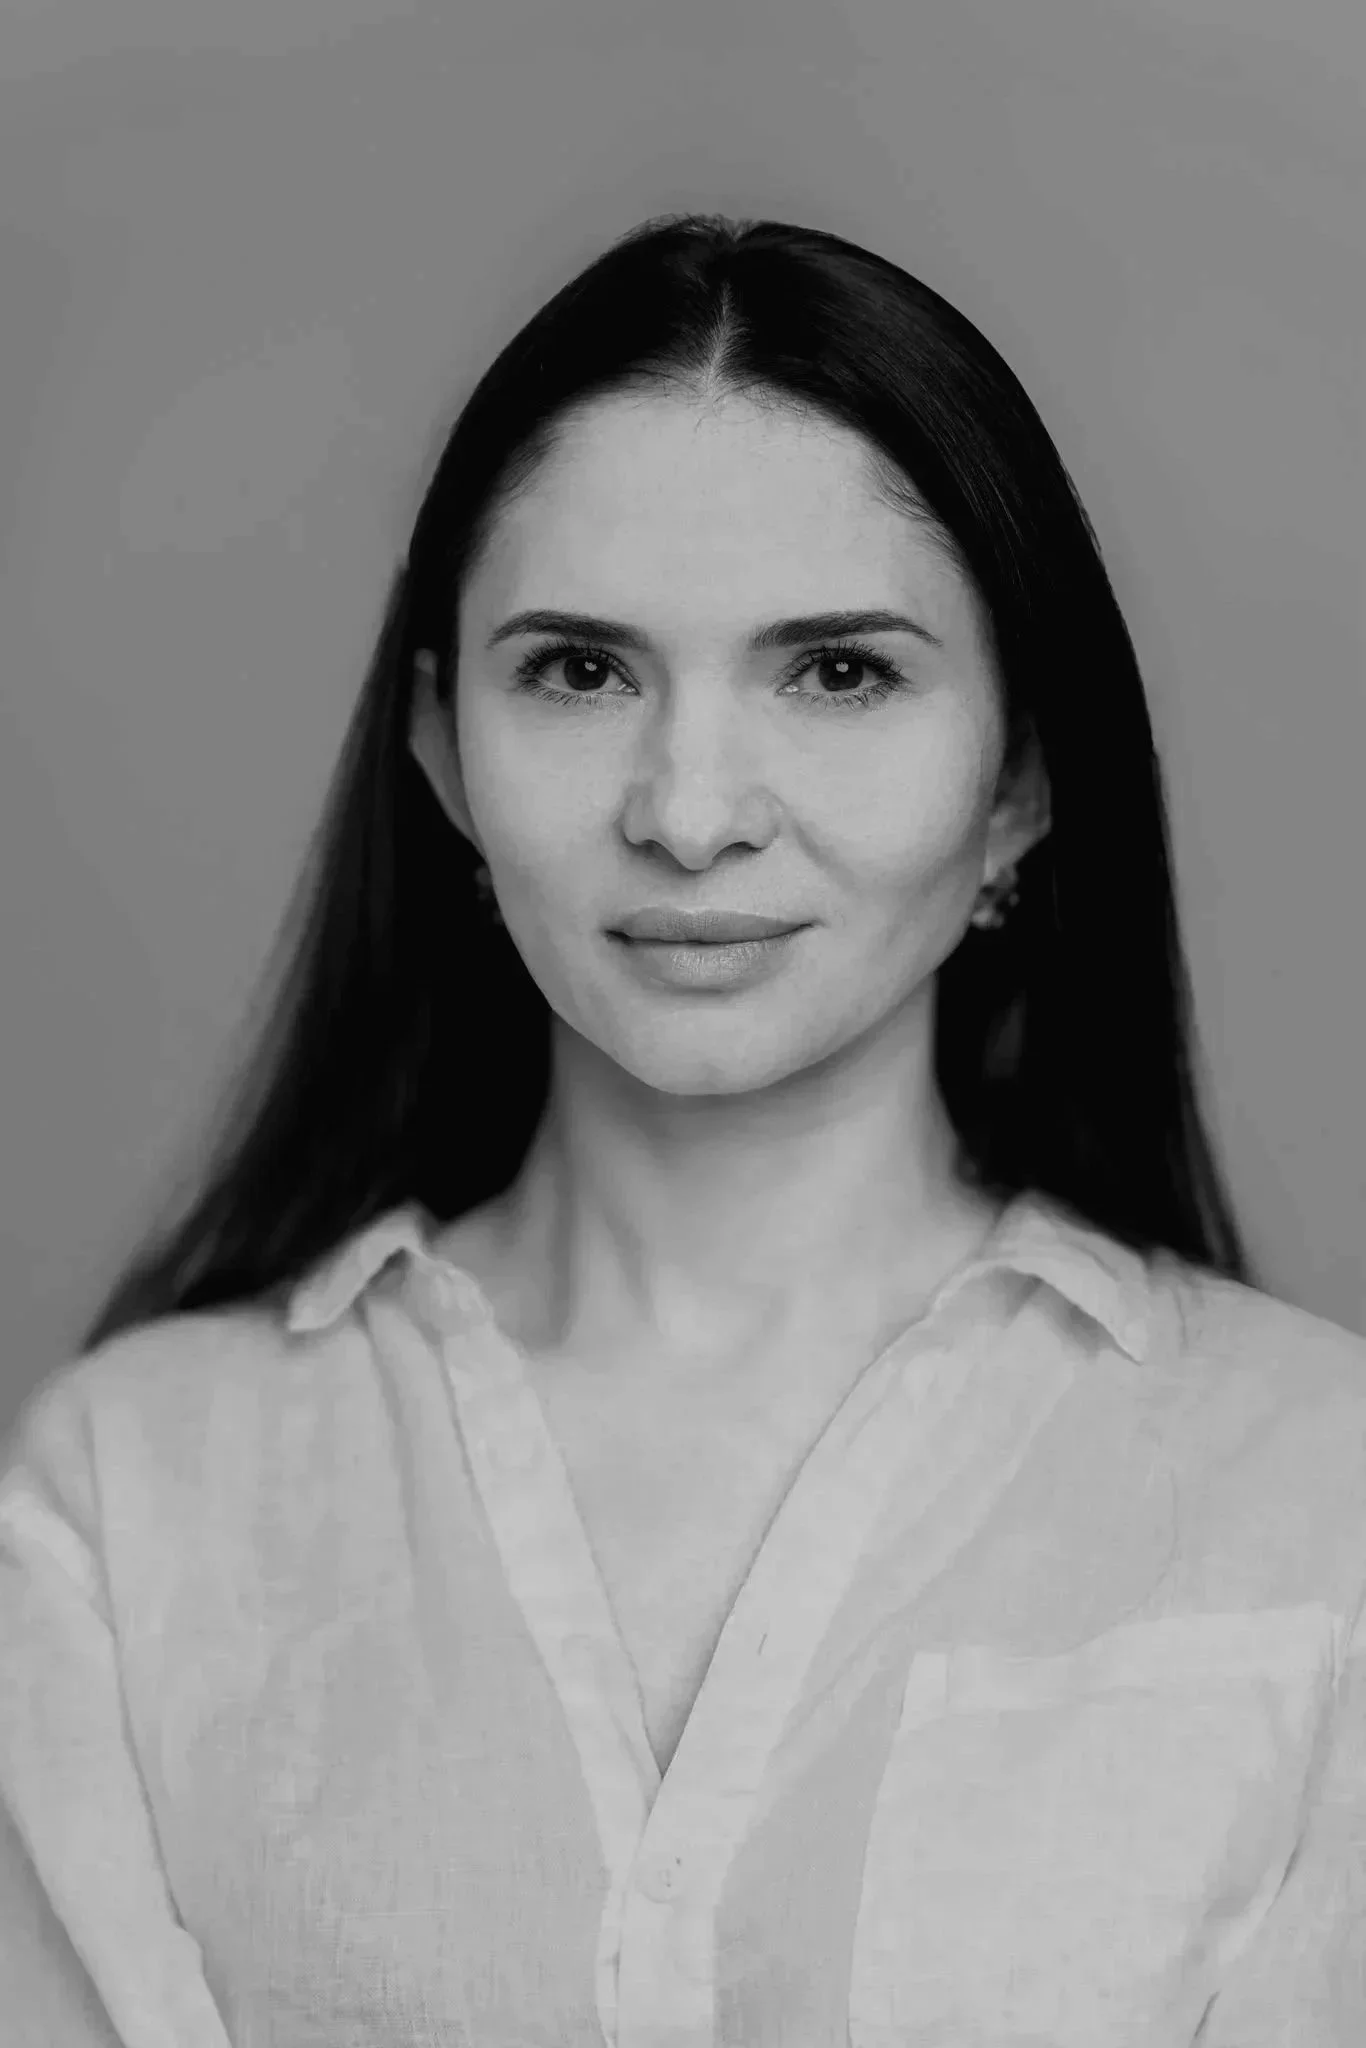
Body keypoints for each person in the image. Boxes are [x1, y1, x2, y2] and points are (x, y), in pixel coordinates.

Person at [1, 211, 1362, 2048]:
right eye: (577, 670)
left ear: (1023, 775)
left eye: (838, 671)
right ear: (439, 751)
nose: (691, 810)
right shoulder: (129, 1504)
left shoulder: (1321, 1502)